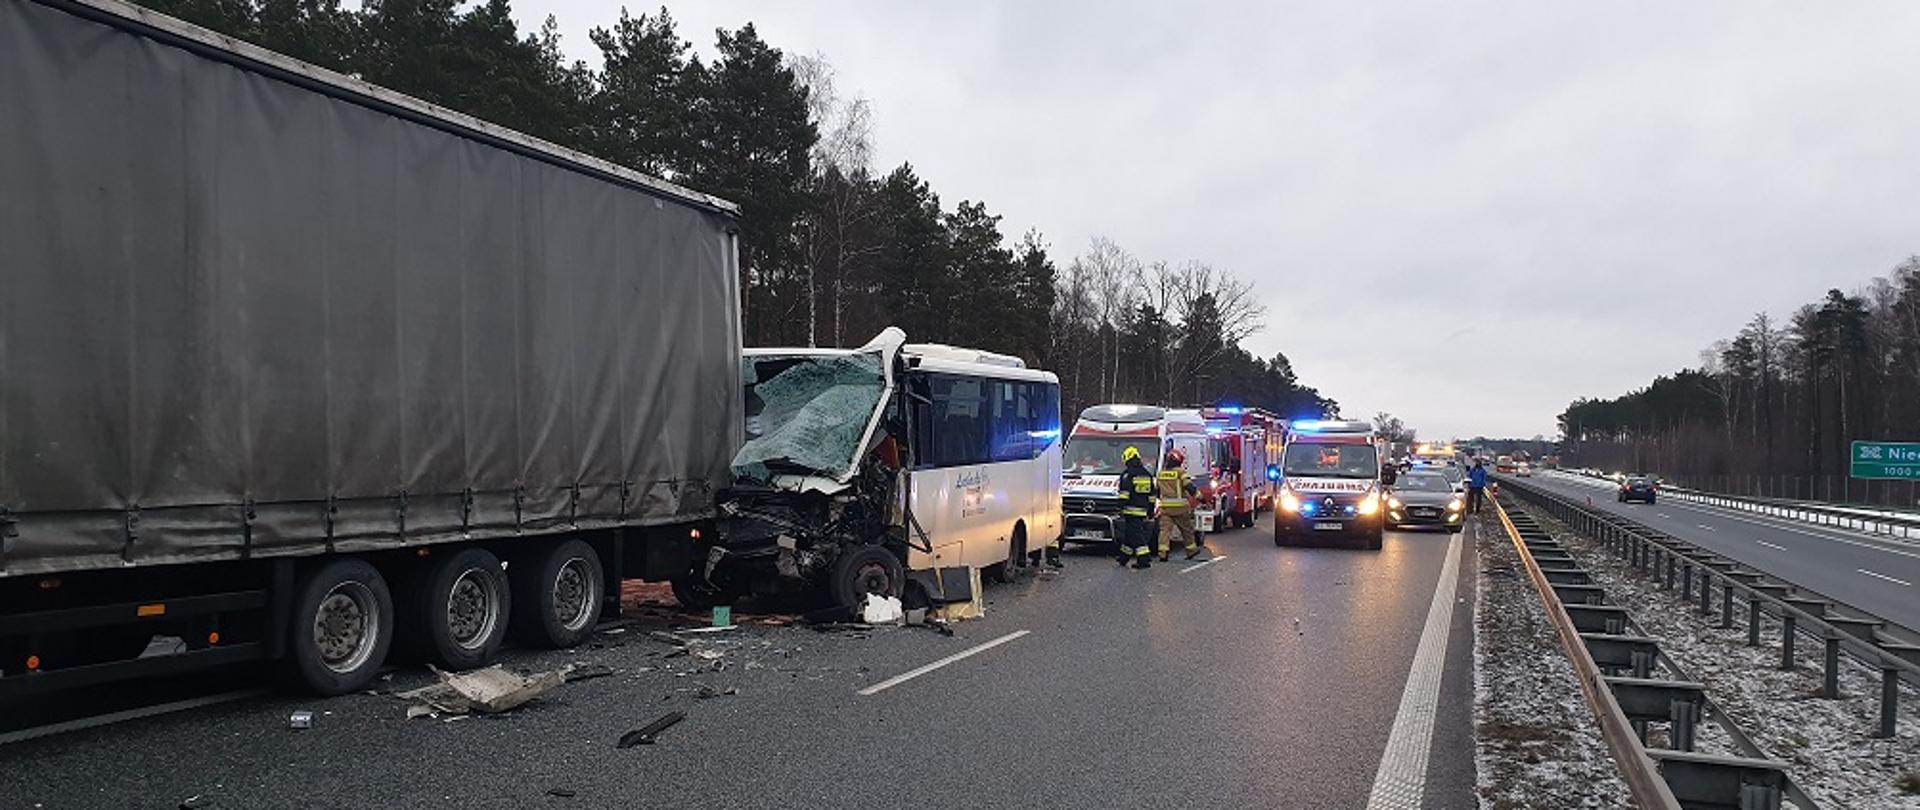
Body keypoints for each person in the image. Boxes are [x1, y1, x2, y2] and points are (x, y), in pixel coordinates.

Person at [1156, 449, 1204, 561]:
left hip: (1165, 507)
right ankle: (1191, 550)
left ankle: (1163, 553)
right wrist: (1201, 498)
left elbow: (1157, 491)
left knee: (1165, 531)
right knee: (1186, 529)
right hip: (1180, 508)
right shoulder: (1180, 472)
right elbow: (1189, 487)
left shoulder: (1161, 473)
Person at [1116, 446, 1155, 569]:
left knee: (1136, 536)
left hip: (1130, 510)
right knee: (1129, 534)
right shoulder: (1147, 474)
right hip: (1143, 510)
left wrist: (1119, 508)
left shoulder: (1127, 475)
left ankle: (1144, 559)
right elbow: (1152, 495)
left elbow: (1124, 494)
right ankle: (1123, 557)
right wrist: (1150, 510)